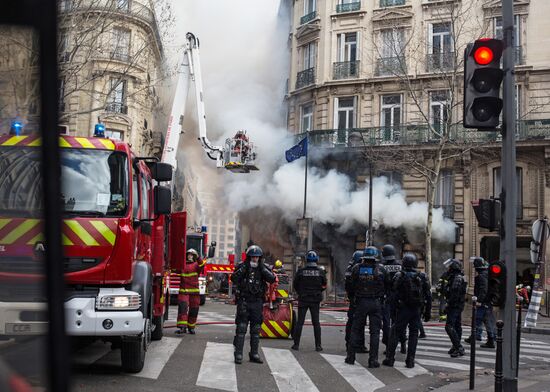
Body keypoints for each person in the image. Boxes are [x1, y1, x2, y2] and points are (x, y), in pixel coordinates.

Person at [382, 253, 431, 368]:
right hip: (416, 310)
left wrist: (393, 311)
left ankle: (390, 359)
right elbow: (428, 296)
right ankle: (410, 360)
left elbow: (393, 294)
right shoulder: (423, 276)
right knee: (414, 334)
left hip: (403, 309)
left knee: (395, 332)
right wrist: (427, 312)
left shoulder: (400, 275)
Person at [231, 245, 276, 364]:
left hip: (257, 302)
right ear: (249, 257)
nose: (255, 259)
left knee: (256, 329)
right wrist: (244, 268)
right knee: (241, 327)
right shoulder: (242, 266)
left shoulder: (263, 268)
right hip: (244, 301)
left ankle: (254, 353)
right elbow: (234, 278)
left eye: (257, 257)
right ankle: (238, 353)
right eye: (253, 257)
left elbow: (272, 279)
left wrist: (262, 268)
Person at [345, 246, 389, 368]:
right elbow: (388, 286)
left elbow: (349, 286)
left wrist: (353, 298)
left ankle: (350, 357)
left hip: (360, 302)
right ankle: (373, 360)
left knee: (355, 329)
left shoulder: (356, 268)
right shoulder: (381, 270)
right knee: (374, 332)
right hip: (376, 303)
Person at [291, 250, 327, 351]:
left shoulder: (301, 271)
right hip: (315, 300)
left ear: (306, 260)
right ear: (316, 260)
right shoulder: (320, 272)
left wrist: (300, 292)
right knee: (316, 323)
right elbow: (324, 285)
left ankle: (296, 345)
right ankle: (318, 345)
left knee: (300, 322)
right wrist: (318, 291)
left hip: (303, 299)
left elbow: (295, 285)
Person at [380, 244, 407, 353]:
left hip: (387, 298)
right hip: (400, 298)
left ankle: (388, 346)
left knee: (386, 323)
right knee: (399, 321)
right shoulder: (401, 266)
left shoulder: (381, 267)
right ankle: (403, 344)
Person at [465, 257, 496, 348]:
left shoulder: (482, 276)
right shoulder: (486, 274)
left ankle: (476, 336)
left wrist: (479, 300)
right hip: (487, 302)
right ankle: (489, 338)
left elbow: (483, 289)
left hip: (483, 303)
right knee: (486, 321)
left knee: (477, 319)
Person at [176, 248, 206, 334]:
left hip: (194, 292)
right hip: (184, 291)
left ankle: (191, 327)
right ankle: (182, 327)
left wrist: (199, 258)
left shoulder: (197, 265)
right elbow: (174, 269)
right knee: (183, 308)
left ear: (194, 256)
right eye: (188, 254)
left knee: (194, 309)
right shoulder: (182, 265)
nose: (190, 256)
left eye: (192, 255)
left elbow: (202, 265)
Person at [442, 258, 467, 357]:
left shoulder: (457, 278)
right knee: (457, 326)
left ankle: (459, 347)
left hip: (455, 305)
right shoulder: (458, 276)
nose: (448, 268)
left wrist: (448, 305)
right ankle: (455, 346)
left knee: (449, 326)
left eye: (449, 267)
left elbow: (454, 294)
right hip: (458, 305)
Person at [344, 250, 368, 353]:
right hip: (359, 299)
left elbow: (348, 287)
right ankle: (358, 345)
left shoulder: (350, 269)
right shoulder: (358, 269)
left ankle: (351, 344)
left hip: (354, 299)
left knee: (352, 322)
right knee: (359, 323)